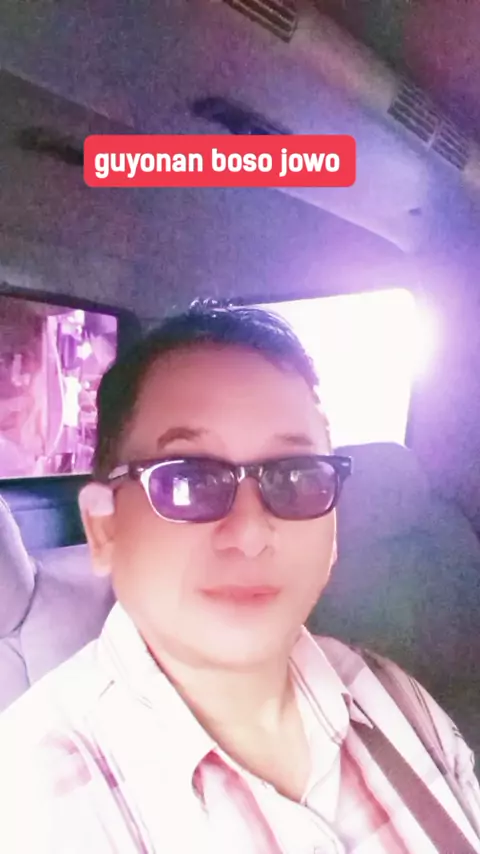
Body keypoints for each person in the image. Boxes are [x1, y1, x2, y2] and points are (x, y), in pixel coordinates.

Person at [0, 300, 479, 854]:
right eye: (187, 480)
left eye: (295, 477)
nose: (250, 533)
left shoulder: (391, 697)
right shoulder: (31, 803)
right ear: (104, 528)